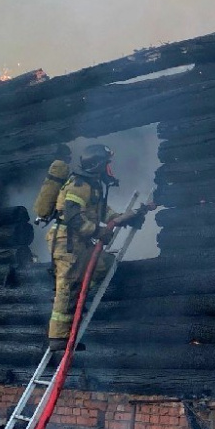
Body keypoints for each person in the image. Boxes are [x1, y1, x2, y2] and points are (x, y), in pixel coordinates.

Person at [45, 144, 147, 352]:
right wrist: (96, 232)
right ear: (98, 165)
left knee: (105, 264)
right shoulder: (79, 186)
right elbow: (73, 216)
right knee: (68, 286)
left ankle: (78, 294)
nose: (110, 168)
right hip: (67, 242)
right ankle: (58, 337)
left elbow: (104, 212)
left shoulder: (94, 187)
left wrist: (127, 218)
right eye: (107, 164)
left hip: (79, 241)